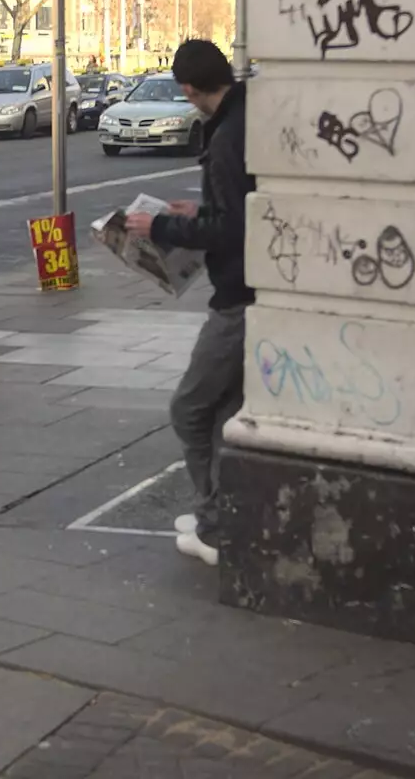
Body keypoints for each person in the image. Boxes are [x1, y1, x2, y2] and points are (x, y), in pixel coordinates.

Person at [124, 39, 254, 566]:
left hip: (239, 297)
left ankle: (215, 525)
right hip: (255, 286)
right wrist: (197, 209)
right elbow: (241, 203)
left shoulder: (225, 137)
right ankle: (219, 509)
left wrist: (162, 225)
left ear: (188, 88)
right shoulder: (245, 115)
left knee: (190, 409)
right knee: (223, 411)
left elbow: (233, 226)